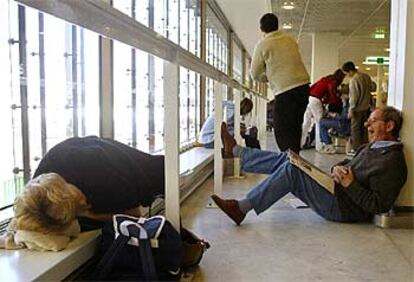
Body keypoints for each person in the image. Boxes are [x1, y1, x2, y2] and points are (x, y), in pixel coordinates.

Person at [212, 106, 407, 225]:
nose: (367, 125)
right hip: (335, 190)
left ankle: (241, 208)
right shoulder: (374, 147)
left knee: (291, 171)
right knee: (289, 158)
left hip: (341, 207)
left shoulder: (392, 161)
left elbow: (379, 205)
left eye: (372, 121)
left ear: (389, 126)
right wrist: (336, 168)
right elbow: (348, 163)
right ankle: (237, 152)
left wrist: (350, 185)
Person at [8, 136, 165, 235]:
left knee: (161, 171)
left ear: (65, 182)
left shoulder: (97, 173)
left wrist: (87, 214)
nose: (83, 202)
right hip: (100, 154)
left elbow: (134, 215)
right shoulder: (41, 185)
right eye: (77, 206)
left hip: (154, 172)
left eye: (78, 197)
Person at [250, 13, 310, 153]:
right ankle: (295, 162)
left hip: (285, 90)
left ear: (261, 29)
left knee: (282, 129)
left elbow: (254, 74)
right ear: (277, 25)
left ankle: (289, 163)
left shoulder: (263, 44)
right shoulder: (290, 40)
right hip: (304, 87)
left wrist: (269, 77)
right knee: (295, 126)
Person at [301, 69, 345, 151]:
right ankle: (320, 146)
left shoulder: (324, 79)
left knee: (306, 122)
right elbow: (332, 94)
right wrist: (336, 102)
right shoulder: (333, 82)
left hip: (309, 98)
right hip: (316, 100)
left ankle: (300, 143)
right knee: (320, 123)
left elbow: (313, 87)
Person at [342, 61, 376, 153]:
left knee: (355, 130)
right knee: (364, 130)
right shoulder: (366, 76)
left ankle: (356, 149)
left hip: (357, 109)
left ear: (350, 71)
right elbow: (372, 89)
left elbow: (354, 96)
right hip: (366, 107)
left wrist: (351, 109)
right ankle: (365, 148)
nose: (347, 76)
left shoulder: (354, 80)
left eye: (346, 73)